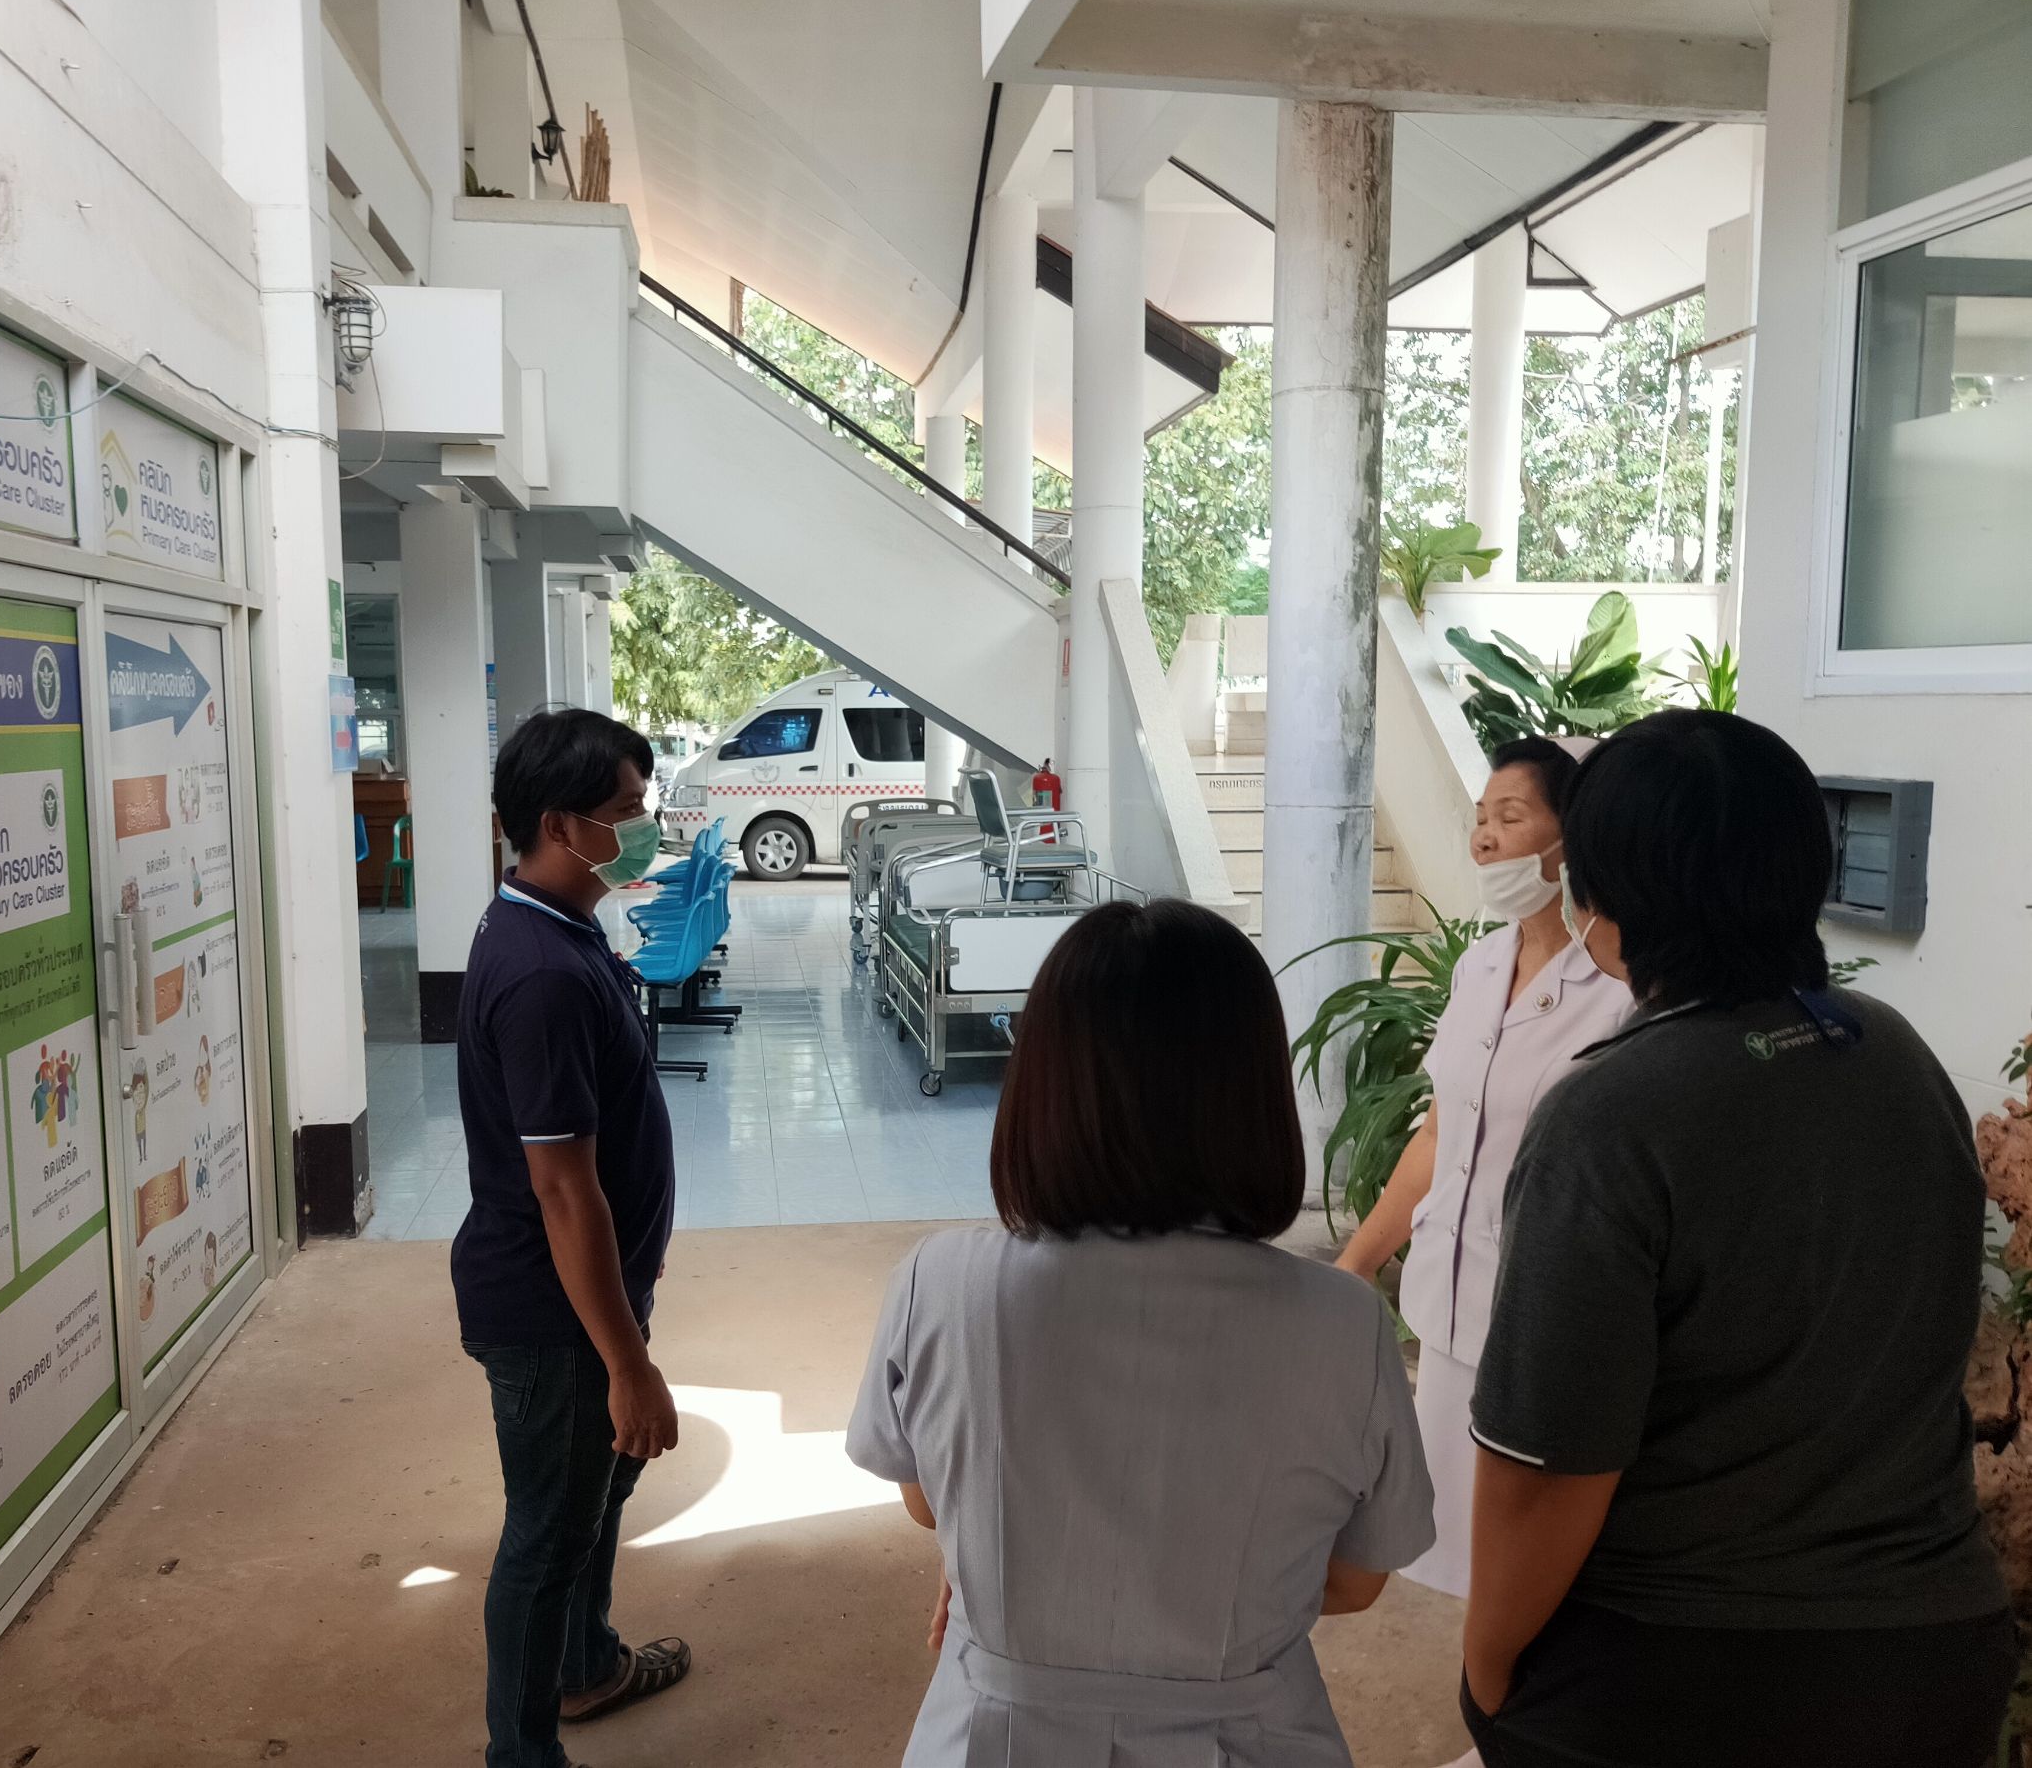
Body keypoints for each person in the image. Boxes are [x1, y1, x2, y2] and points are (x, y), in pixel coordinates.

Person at [1460, 710, 2014, 1768]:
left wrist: (1489, 1672)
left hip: (1686, 1673)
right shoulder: (1893, 1053)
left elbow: (1546, 1466)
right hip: (1933, 1651)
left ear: (1605, 894)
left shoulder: (1613, 1115)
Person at [849, 897, 1435, 1767]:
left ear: (1040, 1083)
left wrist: (1025, 1584)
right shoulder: (1342, 1322)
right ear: (1254, 1093)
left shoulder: (940, 1283)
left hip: (990, 1735)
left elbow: (928, 1500)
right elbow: (1357, 1576)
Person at [1336, 737, 1629, 1601]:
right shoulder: (1478, 966)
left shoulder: (1622, 991)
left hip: (1544, 1326)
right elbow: (1440, 1132)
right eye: (1479, 819)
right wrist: (1358, 1261)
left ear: (1571, 838)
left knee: (1537, 1573)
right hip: (1451, 1310)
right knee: (1458, 1557)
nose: (1485, 838)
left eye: (1511, 816)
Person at [454, 708, 692, 1768]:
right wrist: (627, 1362)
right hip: (553, 1313)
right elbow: (561, 1190)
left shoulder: (555, 923)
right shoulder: (543, 973)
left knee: (603, 1479)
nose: (644, 827)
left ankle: (586, 1665)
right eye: (627, 811)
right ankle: (523, 1750)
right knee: (546, 1535)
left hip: (587, 1296)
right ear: (559, 824)